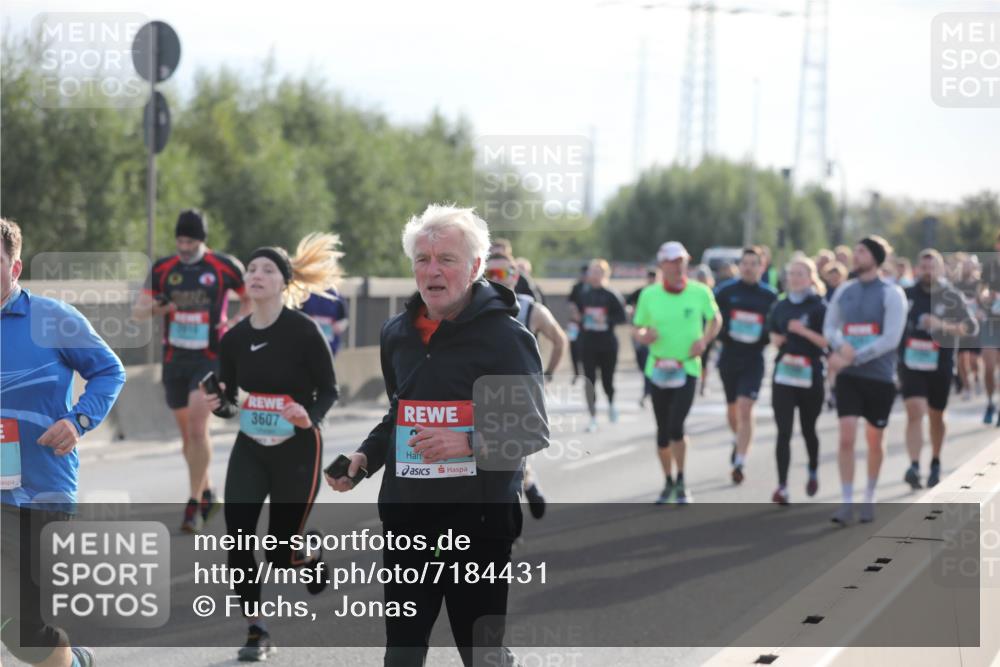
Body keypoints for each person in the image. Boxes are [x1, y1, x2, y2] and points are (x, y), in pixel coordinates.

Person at [327, 205, 547, 667]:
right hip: (409, 521)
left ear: (475, 268)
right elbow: (400, 412)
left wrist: (468, 441)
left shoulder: (505, 337)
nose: (432, 271)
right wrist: (365, 458)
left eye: (446, 259)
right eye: (422, 259)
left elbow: (530, 427)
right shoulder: (397, 334)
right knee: (402, 656)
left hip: (479, 525)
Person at [202, 233, 341, 661]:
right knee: (239, 541)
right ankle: (256, 630)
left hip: (298, 449)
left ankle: (308, 552)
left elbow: (329, 390)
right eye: (251, 270)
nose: (256, 275)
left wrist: (308, 415)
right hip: (252, 447)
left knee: (281, 552)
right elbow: (228, 404)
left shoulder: (303, 331)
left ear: (284, 282)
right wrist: (218, 403)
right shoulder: (234, 338)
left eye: (267, 270)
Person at [1, 219, 126, 667]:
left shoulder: (52, 318)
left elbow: (110, 371)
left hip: (41, 489)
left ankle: (73, 664)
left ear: (14, 268)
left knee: (26, 631)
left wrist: (79, 420)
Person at [132, 209, 251, 532]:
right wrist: (163, 307)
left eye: (190, 242)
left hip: (211, 357)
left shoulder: (224, 267)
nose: (184, 247)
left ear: (202, 240)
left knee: (199, 429)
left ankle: (193, 506)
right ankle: (209, 492)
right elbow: (139, 312)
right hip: (175, 360)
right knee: (188, 437)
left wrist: (236, 325)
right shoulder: (163, 269)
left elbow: (249, 298)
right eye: (180, 241)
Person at [824, 236, 906, 525]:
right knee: (846, 436)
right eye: (855, 251)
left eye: (861, 252)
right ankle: (847, 502)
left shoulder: (892, 293)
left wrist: (854, 355)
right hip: (849, 377)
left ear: (875, 257)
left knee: (875, 439)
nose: (855, 257)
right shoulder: (845, 290)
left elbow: (891, 339)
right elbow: (830, 327)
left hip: (880, 377)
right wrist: (838, 345)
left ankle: (869, 495)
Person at [633, 242, 721, 505]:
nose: (677, 265)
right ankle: (668, 481)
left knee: (676, 426)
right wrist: (644, 336)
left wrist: (704, 341)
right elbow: (636, 328)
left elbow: (715, 319)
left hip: (688, 367)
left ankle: (681, 480)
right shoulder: (649, 295)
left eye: (681, 260)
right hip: (658, 368)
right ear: (662, 265)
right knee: (662, 432)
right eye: (671, 261)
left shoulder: (699, 291)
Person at [486, 251, 568, 519]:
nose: (497, 280)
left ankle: (523, 491)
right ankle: (527, 486)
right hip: (483, 393)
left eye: (503, 274)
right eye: (490, 274)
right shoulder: (468, 309)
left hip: (520, 393)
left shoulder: (531, 309)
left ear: (515, 276)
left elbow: (559, 339)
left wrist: (548, 375)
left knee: (511, 454)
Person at [900, 249, 978, 490]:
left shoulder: (951, 295)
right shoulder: (906, 294)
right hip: (911, 362)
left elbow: (970, 328)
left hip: (940, 362)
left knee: (936, 415)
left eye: (932, 266)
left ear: (941, 269)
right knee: (915, 410)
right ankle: (914, 465)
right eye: (924, 267)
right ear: (917, 269)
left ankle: (934, 461)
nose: (928, 271)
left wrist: (940, 324)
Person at [713, 246, 778, 484]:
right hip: (729, 357)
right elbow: (712, 319)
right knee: (732, 410)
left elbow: (777, 324)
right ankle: (737, 437)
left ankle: (740, 461)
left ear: (762, 267)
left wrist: (769, 335)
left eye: (754, 263)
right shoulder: (725, 292)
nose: (749, 267)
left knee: (745, 407)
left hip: (754, 359)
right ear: (740, 266)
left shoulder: (769, 296)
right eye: (745, 263)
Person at [767, 255, 828, 504]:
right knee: (783, 431)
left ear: (811, 278)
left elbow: (827, 343)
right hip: (784, 373)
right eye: (791, 273)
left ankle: (812, 469)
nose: (794, 278)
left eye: (800, 274)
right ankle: (782, 486)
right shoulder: (780, 305)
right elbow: (771, 330)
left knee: (808, 429)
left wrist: (803, 331)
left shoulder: (819, 307)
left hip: (810, 373)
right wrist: (774, 338)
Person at [572, 258, 627, 432]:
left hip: (607, 344)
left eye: (597, 272)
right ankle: (593, 417)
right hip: (587, 342)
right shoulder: (583, 294)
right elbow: (576, 312)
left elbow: (623, 317)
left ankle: (611, 404)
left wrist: (607, 319)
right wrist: (577, 317)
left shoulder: (611, 295)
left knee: (607, 380)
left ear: (605, 274)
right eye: (591, 272)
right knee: (589, 381)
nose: (594, 276)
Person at [626, 268, 658, 407]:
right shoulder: (641, 292)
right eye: (650, 277)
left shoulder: (661, 293)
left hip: (655, 333)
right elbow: (627, 303)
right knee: (641, 362)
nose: (652, 280)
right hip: (640, 330)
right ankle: (648, 390)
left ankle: (648, 392)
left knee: (648, 364)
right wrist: (630, 309)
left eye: (654, 277)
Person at [953, 256, 982, 401]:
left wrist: (981, 311)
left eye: (970, 265)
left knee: (973, 359)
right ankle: (967, 387)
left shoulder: (980, 284)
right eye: (965, 265)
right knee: (961, 360)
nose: (967, 268)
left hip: (976, 326)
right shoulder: (956, 285)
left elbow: (986, 303)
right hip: (961, 326)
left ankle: (976, 377)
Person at [980, 231, 1000, 426]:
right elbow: (981, 289)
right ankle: (989, 403)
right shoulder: (991, 266)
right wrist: (987, 296)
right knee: (988, 367)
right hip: (991, 322)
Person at [489, 237, 544, 304]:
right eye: (490, 273)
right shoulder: (481, 276)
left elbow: (535, 302)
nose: (495, 278)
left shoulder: (522, 279)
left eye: (501, 273)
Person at [689, 264, 716, 396]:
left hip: (707, 332)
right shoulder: (692, 293)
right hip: (693, 333)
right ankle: (693, 382)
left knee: (705, 360)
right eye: (699, 278)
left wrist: (708, 337)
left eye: (703, 278)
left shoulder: (712, 293)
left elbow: (716, 317)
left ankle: (703, 384)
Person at [299, 288, 349, 358]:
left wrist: (338, 326)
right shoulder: (305, 296)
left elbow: (344, 320)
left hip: (329, 346)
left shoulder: (337, 297)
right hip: (308, 346)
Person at [567, 264, 589, 383]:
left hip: (588, 323)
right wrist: (575, 312)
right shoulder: (577, 287)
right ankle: (576, 372)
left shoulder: (592, 288)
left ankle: (587, 372)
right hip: (575, 322)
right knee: (573, 345)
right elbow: (570, 302)